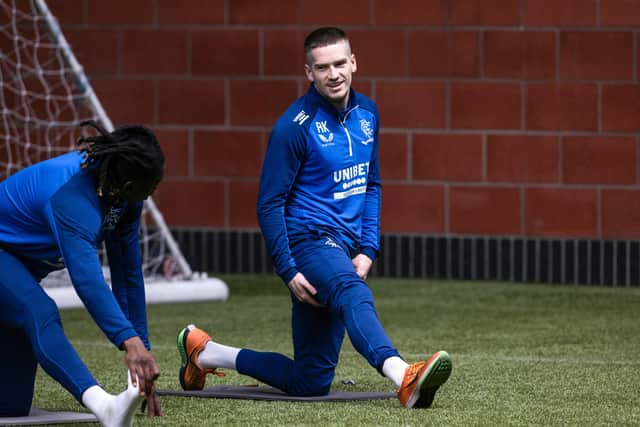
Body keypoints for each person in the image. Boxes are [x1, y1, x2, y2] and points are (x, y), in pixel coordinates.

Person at [177, 27, 452, 408]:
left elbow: (371, 184)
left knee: (310, 381)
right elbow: (269, 204)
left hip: (347, 245)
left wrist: (369, 247)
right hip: (309, 243)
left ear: (354, 62)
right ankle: (402, 374)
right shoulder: (293, 127)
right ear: (309, 73)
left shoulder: (368, 113)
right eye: (322, 67)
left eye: (340, 63)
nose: (334, 74)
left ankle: (204, 353)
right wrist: (288, 270)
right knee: (352, 292)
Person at [0, 120, 165, 425]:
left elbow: (128, 274)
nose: (151, 194)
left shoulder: (126, 197)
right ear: (129, 185)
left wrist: (142, 353)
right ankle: (104, 406)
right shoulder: (71, 198)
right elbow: (88, 280)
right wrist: (128, 341)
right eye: (150, 188)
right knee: (39, 310)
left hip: (17, 271)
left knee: (10, 405)